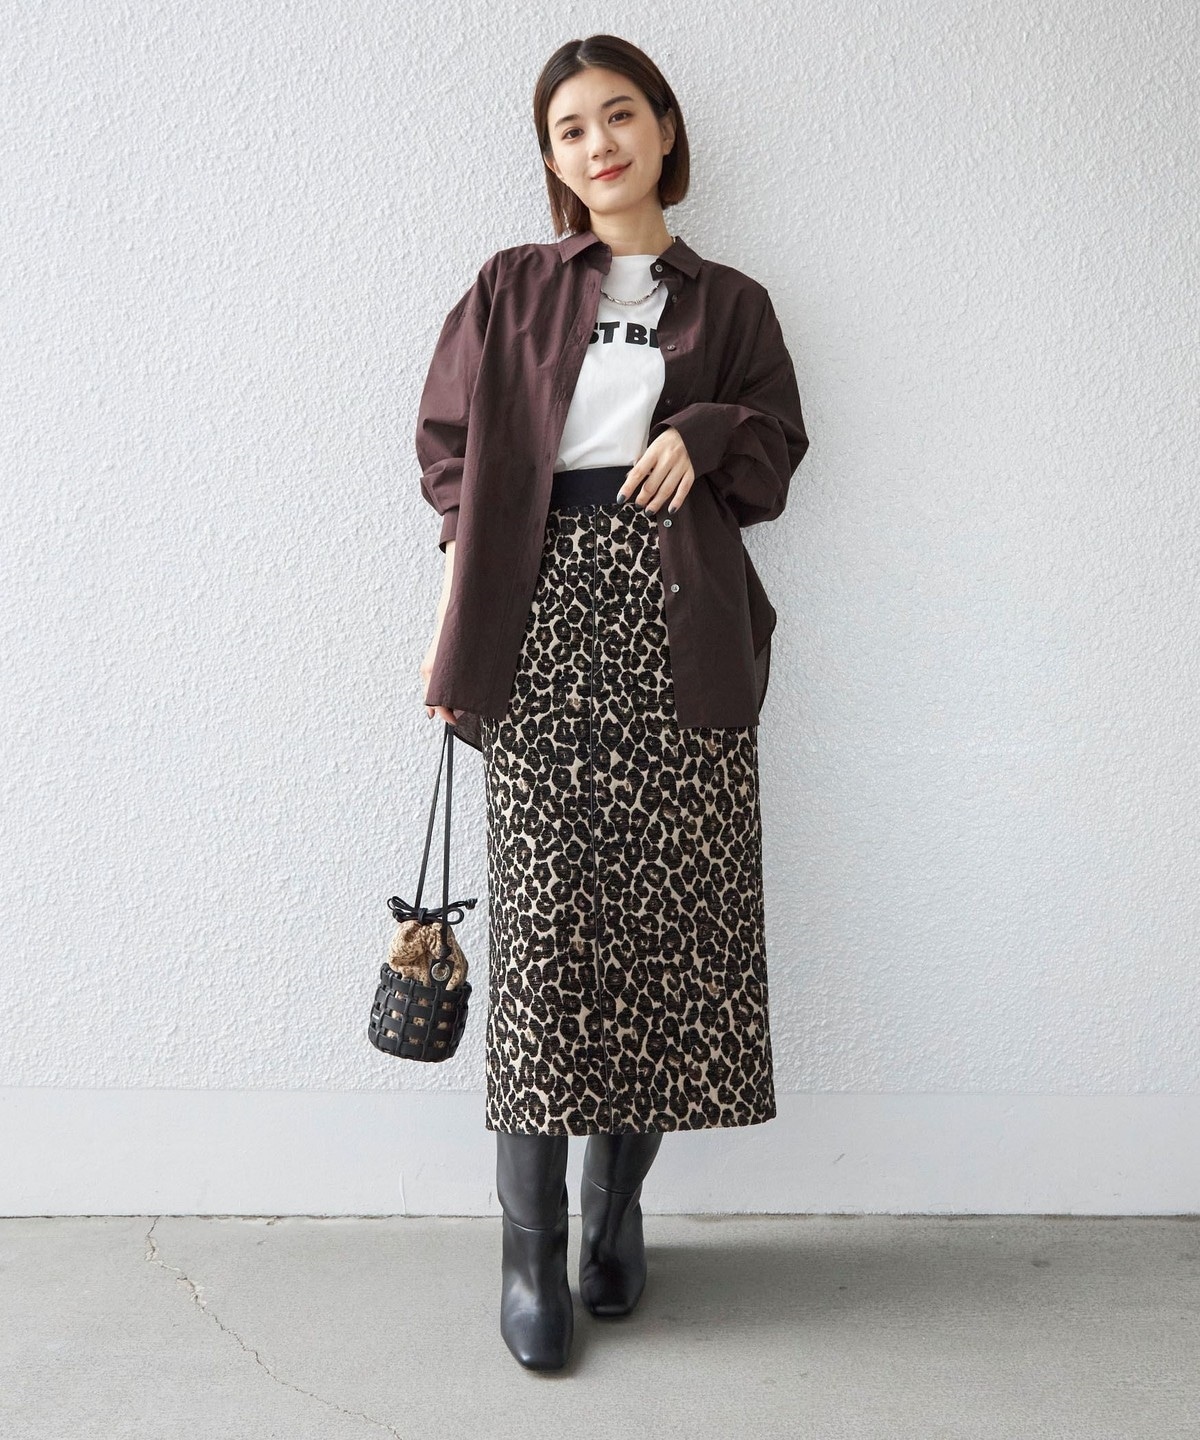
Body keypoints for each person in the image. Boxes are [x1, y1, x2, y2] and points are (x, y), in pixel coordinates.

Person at [414, 34, 809, 1371]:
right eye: (572, 129)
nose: (601, 145)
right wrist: (455, 626)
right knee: (547, 947)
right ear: (553, 159)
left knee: (666, 936)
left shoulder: (733, 304)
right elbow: (452, 460)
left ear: (665, 127)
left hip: (682, 630)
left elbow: (774, 458)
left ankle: (615, 1209)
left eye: (620, 115)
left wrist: (705, 430)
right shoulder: (511, 287)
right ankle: (529, 1251)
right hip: (536, 627)